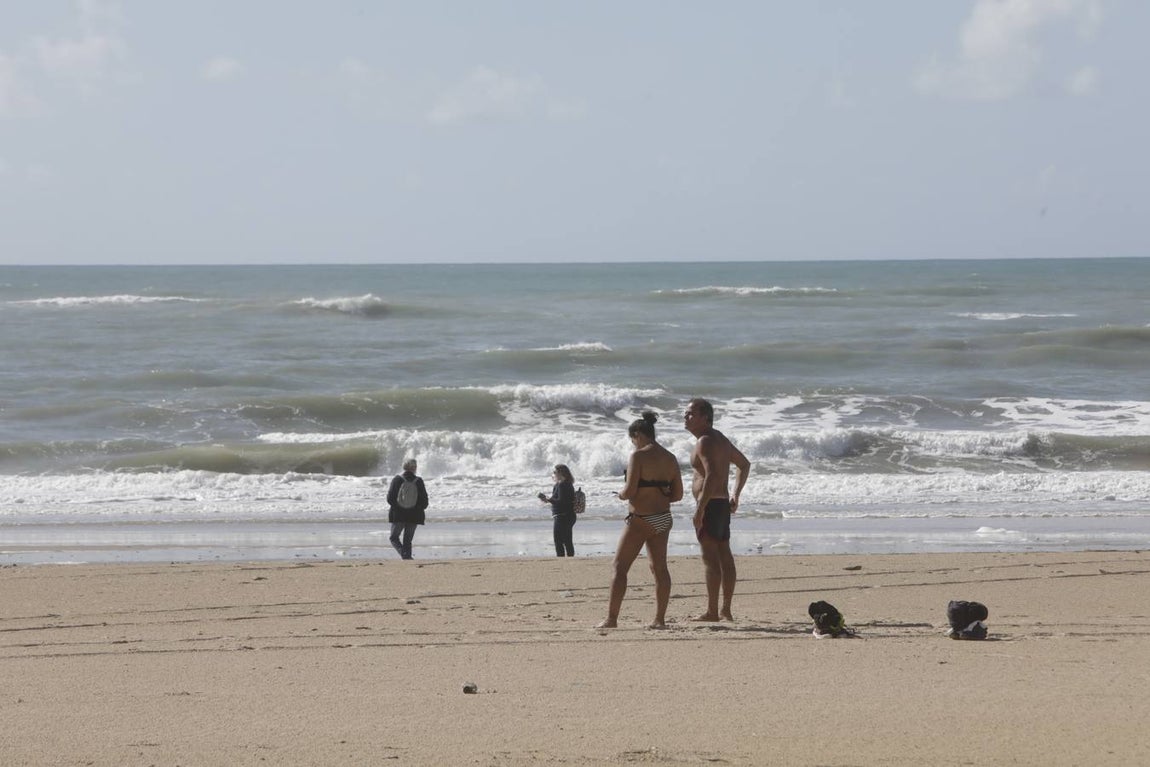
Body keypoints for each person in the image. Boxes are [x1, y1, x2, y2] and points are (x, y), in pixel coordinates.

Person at [598, 412, 684, 629]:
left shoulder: (638, 456)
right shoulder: (670, 457)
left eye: (632, 439)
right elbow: (677, 495)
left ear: (637, 434)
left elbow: (629, 491)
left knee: (619, 567)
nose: (633, 444)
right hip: (663, 518)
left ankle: (611, 619)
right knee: (660, 569)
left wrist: (620, 494)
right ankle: (659, 620)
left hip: (641, 519)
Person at [684, 398, 749, 622]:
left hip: (711, 505)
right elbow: (744, 464)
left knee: (711, 559)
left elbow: (711, 474)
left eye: (691, 414)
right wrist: (735, 495)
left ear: (705, 417)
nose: (686, 417)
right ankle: (725, 609)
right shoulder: (720, 439)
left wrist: (700, 508)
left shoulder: (704, 441)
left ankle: (713, 611)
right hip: (720, 503)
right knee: (724, 556)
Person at [386, 458, 428, 560]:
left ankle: (405, 556)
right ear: (413, 468)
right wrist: (416, 509)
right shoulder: (418, 481)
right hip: (414, 515)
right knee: (407, 540)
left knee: (394, 537)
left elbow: (390, 499)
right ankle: (407, 557)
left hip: (399, 515)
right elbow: (425, 502)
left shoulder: (397, 479)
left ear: (405, 467)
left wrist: (399, 508)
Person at [538, 464, 577, 556]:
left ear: (561, 473)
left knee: (558, 540)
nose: (553, 474)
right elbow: (561, 500)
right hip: (568, 515)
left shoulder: (562, 485)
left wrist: (549, 499)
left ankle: (561, 559)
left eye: (555, 472)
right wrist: (548, 500)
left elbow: (561, 501)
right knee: (567, 540)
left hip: (562, 516)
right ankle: (570, 558)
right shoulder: (566, 484)